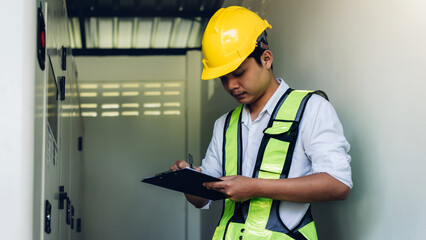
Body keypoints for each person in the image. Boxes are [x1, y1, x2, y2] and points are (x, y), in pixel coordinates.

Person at [170, 6, 352, 240]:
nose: (231, 85)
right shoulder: (224, 125)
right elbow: (202, 200)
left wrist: (255, 187)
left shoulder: (312, 108)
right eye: (223, 78)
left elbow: (338, 184)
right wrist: (188, 182)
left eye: (239, 73)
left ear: (266, 59)